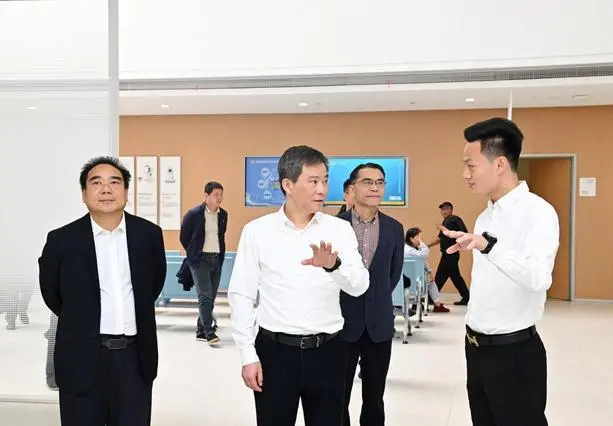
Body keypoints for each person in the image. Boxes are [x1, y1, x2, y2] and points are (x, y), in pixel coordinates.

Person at [228, 145, 369, 426]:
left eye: (325, 180)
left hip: (328, 351)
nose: (322, 189)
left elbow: (360, 286)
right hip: (275, 353)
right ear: (288, 185)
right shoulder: (257, 231)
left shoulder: (339, 229)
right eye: (313, 181)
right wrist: (247, 354)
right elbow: (241, 294)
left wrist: (334, 266)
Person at [441, 117, 559, 426]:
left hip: (514, 353)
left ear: (500, 164)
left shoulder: (538, 212)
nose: (465, 175)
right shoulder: (485, 216)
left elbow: (539, 278)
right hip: (477, 348)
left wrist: (489, 247)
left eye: (471, 165)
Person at [38, 156, 167, 426]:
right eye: (96, 183)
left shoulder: (148, 235)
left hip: (134, 359)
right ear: (84, 194)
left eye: (114, 182)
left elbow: (152, 287)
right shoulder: (61, 241)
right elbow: (53, 296)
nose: (106, 189)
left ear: (126, 192)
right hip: (81, 357)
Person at [338, 162, 404, 426]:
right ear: (352, 188)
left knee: (375, 397)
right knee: (337, 396)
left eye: (380, 182)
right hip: (341, 323)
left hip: (379, 323)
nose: (375, 187)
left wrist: (376, 298)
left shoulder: (394, 228)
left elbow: (392, 274)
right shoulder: (335, 226)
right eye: (367, 182)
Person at [179, 181, 228, 345]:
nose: (219, 198)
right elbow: (184, 236)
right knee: (205, 295)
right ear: (206, 196)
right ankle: (209, 331)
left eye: (221, 195)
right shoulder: (194, 214)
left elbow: (220, 236)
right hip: (200, 260)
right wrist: (193, 253)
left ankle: (200, 331)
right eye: (215, 195)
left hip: (217, 259)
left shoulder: (223, 215)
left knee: (211, 297)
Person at [428, 201, 470, 305]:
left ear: (451, 210)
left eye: (446, 209)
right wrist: (428, 245)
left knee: (448, 276)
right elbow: (440, 239)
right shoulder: (445, 222)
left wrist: (443, 228)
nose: (444, 211)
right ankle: (466, 298)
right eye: (442, 209)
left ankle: (431, 298)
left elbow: (463, 233)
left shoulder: (455, 219)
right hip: (446, 254)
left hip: (452, 254)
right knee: (445, 276)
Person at [404, 227, 449, 313]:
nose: (420, 238)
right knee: (431, 282)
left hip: (407, 281)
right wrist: (421, 243)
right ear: (411, 238)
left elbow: (422, 261)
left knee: (428, 279)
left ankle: (418, 304)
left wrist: (430, 271)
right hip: (416, 281)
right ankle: (437, 305)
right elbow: (424, 255)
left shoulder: (407, 249)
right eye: (418, 236)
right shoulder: (410, 251)